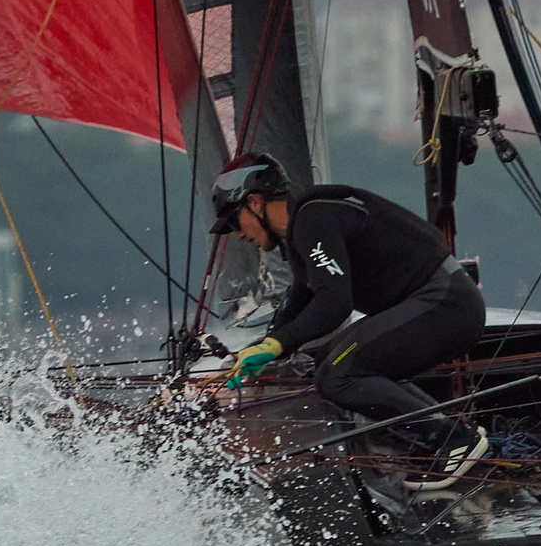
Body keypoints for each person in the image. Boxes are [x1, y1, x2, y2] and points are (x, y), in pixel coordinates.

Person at [210, 155, 490, 490]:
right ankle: (450, 435)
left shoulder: (313, 219)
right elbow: (299, 301)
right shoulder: (305, 227)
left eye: (234, 222)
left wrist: (276, 343)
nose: (238, 235)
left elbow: (334, 302)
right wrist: (262, 349)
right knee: (329, 359)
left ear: (254, 202)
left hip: (446, 304)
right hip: (443, 303)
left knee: (337, 374)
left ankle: (455, 439)